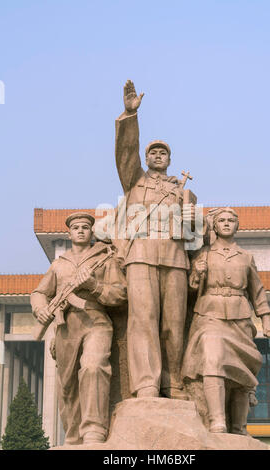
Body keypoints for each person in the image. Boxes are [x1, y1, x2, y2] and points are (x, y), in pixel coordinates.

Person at [115, 80, 196, 399]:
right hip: (141, 256)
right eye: (153, 151)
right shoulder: (134, 181)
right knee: (143, 320)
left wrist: (194, 219)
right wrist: (129, 115)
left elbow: (194, 233)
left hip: (175, 258)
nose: (158, 155)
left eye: (163, 152)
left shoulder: (182, 191)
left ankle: (172, 382)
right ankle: (146, 383)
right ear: (146, 158)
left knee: (174, 325)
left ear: (170, 159)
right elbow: (125, 154)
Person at [30, 212, 127, 445]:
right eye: (76, 228)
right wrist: (41, 308)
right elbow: (39, 292)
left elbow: (119, 293)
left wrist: (93, 285)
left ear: (92, 232)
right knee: (68, 384)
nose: (81, 230)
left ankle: (94, 429)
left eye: (85, 227)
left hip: (96, 320)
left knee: (93, 367)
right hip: (66, 326)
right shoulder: (58, 265)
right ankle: (73, 436)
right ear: (69, 233)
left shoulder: (105, 258)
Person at [181, 208, 270, 434]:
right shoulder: (203, 254)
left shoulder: (246, 257)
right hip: (209, 314)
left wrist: (266, 318)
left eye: (230, 220)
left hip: (240, 317)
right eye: (221, 220)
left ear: (237, 225)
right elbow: (191, 289)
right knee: (212, 361)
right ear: (214, 226)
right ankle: (217, 421)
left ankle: (239, 425)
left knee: (242, 369)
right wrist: (197, 274)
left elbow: (257, 290)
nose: (226, 224)